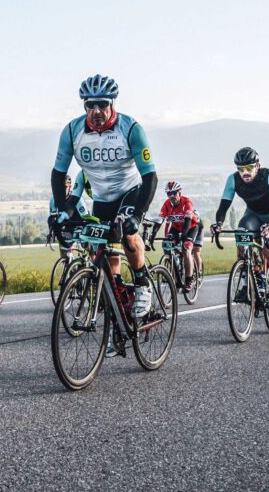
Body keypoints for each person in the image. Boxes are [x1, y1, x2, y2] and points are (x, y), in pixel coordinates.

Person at [50, 74, 158, 323]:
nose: (96, 110)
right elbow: (58, 173)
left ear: (112, 103)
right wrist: (62, 211)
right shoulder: (72, 131)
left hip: (130, 191)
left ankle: (143, 283)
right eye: (90, 105)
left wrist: (139, 215)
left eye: (102, 104)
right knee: (100, 250)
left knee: (127, 233)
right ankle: (117, 303)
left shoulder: (131, 128)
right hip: (101, 197)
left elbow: (150, 176)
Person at [210, 147, 269, 310]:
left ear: (257, 165)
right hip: (253, 215)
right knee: (241, 237)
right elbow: (223, 206)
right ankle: (245, 286)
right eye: (240, 169)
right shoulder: (233, 179)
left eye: (249, 168)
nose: (244, 172)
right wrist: (218, 223)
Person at [148, 180, 201, 291]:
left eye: (174, 193)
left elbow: (187, 221)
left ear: (179, 192)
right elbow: (159, 221)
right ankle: (174, 272)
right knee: (167, 245)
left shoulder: (186, 203)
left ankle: (189, 280)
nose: (171, 196)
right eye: (169, 194)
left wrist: (184, 235)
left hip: (191, 227)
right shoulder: (167, 204)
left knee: (186, 247)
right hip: (176, 228)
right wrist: (153, 235)